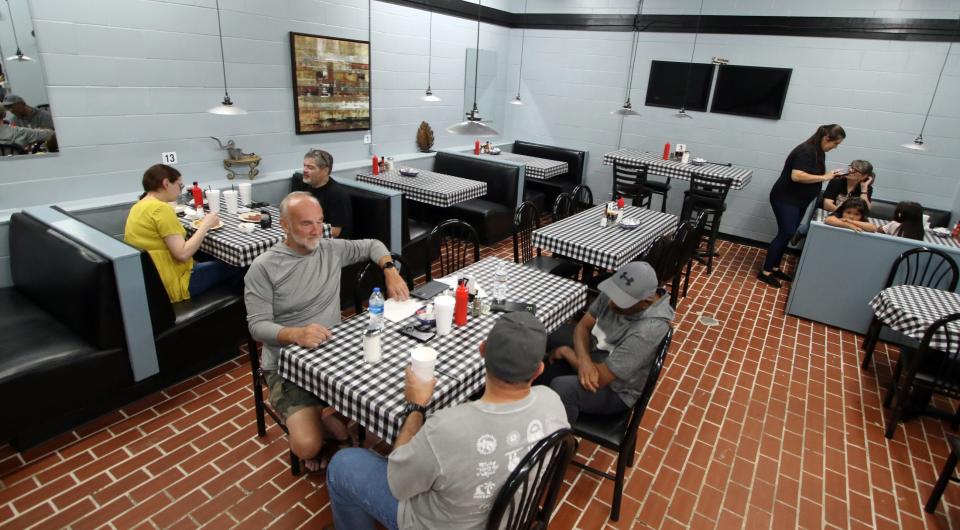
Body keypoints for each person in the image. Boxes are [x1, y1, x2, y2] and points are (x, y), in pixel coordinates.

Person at [325, 311, 569, 530]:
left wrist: (416, 407)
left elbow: (398, 483)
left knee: (343, 464)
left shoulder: (446, 428)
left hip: (436, 523)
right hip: (512, 519)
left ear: (482, 351)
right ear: (538, 370)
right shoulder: (553, 403)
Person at [244, 191, 409, 472]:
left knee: (389, 389)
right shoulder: (264, 268)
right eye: (306, 223)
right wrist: (296, 333)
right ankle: (325, 422)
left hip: (334, 352)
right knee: (307, 446)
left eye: (320, 222)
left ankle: (328, 419)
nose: (316, 230)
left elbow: (374, 244)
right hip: (287, 362)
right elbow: (257, 326)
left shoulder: (330, 248)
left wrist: (390, 270)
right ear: (284, 225)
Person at [534, 261, 674, 423]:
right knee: (543, 338)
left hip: (617, 390)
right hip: (593, 356)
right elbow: (583, 327)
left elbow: (599, 379)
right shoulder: (619, 291)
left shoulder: (649, 329)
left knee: (562, 388)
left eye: (621, 301)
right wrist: (585, 361)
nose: (610, 303)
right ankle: (536, 413)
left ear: (645, 302)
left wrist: (567, 353)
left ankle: (562, 443)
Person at [124, 164, 242, 302]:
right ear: (166, 183)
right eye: (180, 186)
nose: (180, 191)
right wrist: (205, 225)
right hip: (172, 283)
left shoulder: (138, 206)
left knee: (212, 260)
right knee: (239, 265)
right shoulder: (160, 209)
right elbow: (182, 254)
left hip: (151, 279)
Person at [760, 124, 847, 288]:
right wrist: (825, 177)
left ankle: (775, 267)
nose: (835, 148)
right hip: (786, 198)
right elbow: (797, 176)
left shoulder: (819, 152)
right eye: (835, 144)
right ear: (827, 138)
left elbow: (813, 175)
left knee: (789, 232)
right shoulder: (806, 150)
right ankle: (765, 272)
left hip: (799, 200)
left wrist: (828, 177)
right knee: (786, 232)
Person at [290, 148, 353, 238]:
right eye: (304, 166)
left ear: (325, 170)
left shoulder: (337, 194)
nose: (305, 170)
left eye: (310, 167)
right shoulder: (304, 185)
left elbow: (336, 231)